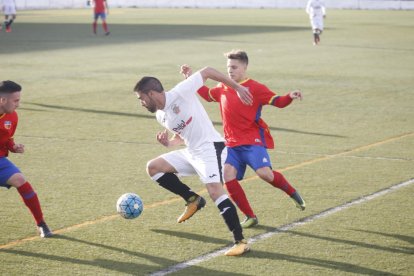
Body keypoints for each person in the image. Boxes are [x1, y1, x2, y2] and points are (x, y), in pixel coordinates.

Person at [133, 66, 253, 256]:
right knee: (153, 167)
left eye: (141, 98)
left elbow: (207, 71)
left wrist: (237, 88)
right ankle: (193, 199)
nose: (141, 103)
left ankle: (240, 241)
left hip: (210, 147)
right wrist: (169, 143)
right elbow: (182, 135)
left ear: (151, 93)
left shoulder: (181, 92)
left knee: (215, 190)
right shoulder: (160, 115)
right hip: (192, 152)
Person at [181, 50, 306, 229]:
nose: (230, 71)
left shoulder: (255, 87)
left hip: (252, 141)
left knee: (265, 174)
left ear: (245, 67)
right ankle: (250, 216)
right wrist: (189, 78)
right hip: (231, 145)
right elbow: (208, 95)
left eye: (234, 67)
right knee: (227, 176)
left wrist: (289, 97)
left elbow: (277, 101)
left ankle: (293, 193)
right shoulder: (223, 86)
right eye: (228, 67)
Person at [0, 80, 52, 238]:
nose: (19, 104)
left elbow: (7, 138)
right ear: (3, 100)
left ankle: (41, 223)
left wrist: (13, 147)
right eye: (16, 101)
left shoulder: (12, 116)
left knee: (20, 180)